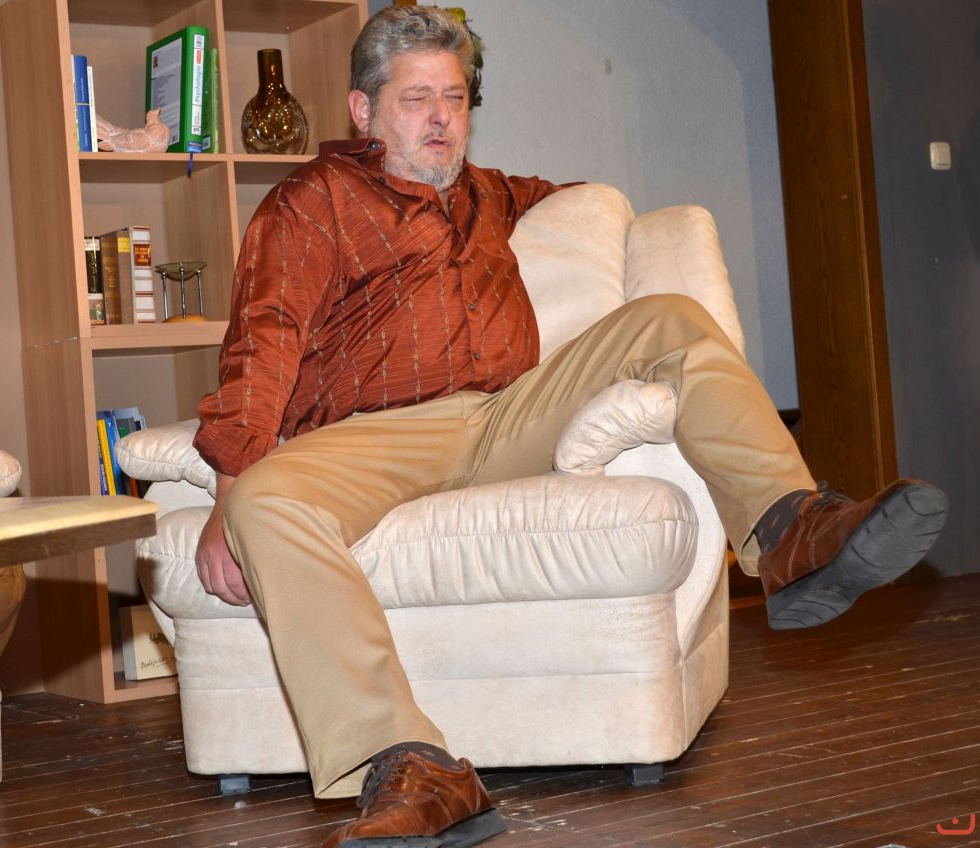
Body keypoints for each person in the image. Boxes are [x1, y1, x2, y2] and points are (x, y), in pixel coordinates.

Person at [190, 7, 949, 847]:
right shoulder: (312, 202)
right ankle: (413, 770)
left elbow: (582, 201)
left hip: (508, 414)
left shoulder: (489, 193)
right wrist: (229, 493)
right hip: (375, 435)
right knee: (266, 501)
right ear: (363, 111)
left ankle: (790, 532)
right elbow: (262, 340)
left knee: (668, 317)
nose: (441, 118)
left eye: (455, 98)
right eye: (416, 99)